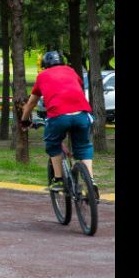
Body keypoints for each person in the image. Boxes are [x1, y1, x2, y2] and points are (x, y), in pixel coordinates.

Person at [20, 51, 97, 196]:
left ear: (44, 65)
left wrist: (24, 120)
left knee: (52, 143)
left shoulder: (42, 76)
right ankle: (91, 182)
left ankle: (59, 179)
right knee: (84, 146)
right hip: (82, 114)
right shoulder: (71, 71)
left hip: (59, 116)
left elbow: (31, 102)